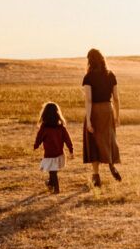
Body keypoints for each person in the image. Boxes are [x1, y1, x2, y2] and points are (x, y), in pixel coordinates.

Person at [82, 48, 121, 188]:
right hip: (108, 109)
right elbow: (116, 98)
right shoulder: (111, 75)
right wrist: (117, 116)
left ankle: (96, 175)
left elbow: (89, 100)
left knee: (94, 142)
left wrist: (89, 120)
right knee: (108, 138)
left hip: (95, 111)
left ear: (89, 61)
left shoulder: (88, 77)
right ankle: (111, 165)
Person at [34, 101, 73, 194]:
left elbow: (38, 138)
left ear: (44, 115)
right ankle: (50, 184)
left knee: (53, 172)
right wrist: (71, 150)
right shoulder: (61, 128)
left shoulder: (44, 128)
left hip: (49, 155)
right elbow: (68, 140)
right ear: (57, 114)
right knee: (52, 171)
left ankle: (56, 189)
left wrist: (36, 145)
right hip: (59, 154)